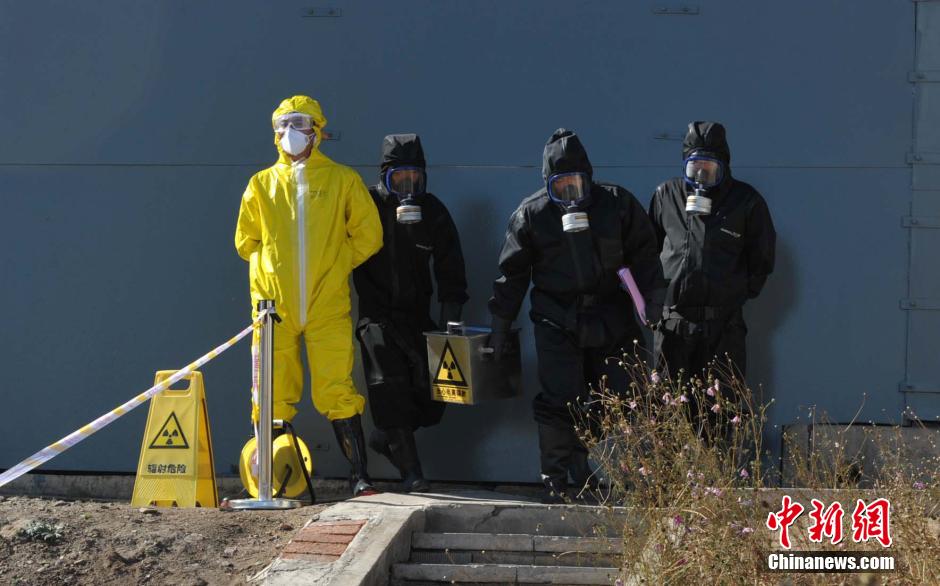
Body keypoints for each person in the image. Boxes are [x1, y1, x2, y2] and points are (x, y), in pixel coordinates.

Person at [488, 128, 664, 502]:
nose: (570, 194)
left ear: (590, 179)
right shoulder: (532, 214)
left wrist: (653, 300)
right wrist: (500, 326)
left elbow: (646, 255)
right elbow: (512, 276)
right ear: (548, 185)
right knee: (560, 397)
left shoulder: (617, 204)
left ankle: (585, 466)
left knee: (619, 395)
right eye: (560, 186)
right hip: (557, 320)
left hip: (611, 317)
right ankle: (554, 479)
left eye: (577, 184)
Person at [234, 95, 383, 497]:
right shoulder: (261, 184)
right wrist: (270, 274)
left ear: (318, 130)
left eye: (299, 123)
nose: (290, 132)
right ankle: (270, 483)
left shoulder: (341, 180)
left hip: (326, 303)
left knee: (337, 388)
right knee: (271, 393)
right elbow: (246, 242)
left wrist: (337, 263)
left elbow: (369, 235)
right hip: (273, 308)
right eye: (282, 124)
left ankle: (360, 478)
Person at [353, 133, 468, 492]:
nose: (407, 186)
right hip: (376, 317)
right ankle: (412, 472)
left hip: (418, 316)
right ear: (384, 177)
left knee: (436, 393)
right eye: (398, 178)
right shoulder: (366, 205)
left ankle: (384, 437)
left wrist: (450, 324)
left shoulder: (432, 211)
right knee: (389, 388)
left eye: (414, 178)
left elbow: (451, 268)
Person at [648, 121, 776, 385]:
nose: (701, 174)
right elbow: (649, 250)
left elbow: (761, 258)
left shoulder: (745, 201)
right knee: (668, 402)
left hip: (722, 328)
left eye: (710, 167)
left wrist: (735, 292)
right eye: (694, 166)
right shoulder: (667, 195)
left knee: (719, 402)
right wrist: (659, 299)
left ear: (723, 166)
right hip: (674, 326)